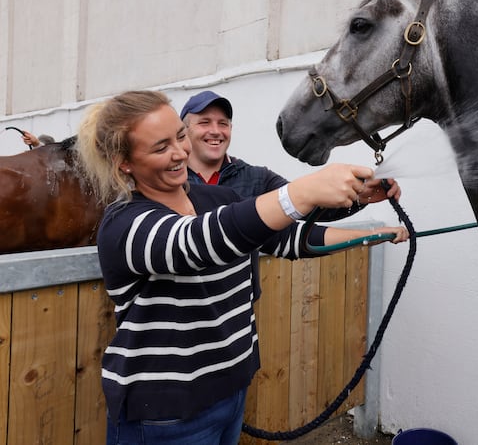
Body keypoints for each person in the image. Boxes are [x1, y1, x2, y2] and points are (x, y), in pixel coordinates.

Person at [76, 90, 408, 445]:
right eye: (160, 148)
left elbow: (287, 240)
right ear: (123, 163)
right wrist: (301, 192)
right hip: (164, 413)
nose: (179, 153)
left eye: (179, 136)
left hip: (231, 390)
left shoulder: (216, 198)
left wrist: (368, 235)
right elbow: (199, 242)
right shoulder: (124, 223)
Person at [181, 89, 402, 240]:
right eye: (204, 123)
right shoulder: (169, 182)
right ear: (184, 131)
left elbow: (309, 207)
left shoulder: (257, 178)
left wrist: (360, 195)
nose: (216, 131)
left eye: (223, 124)